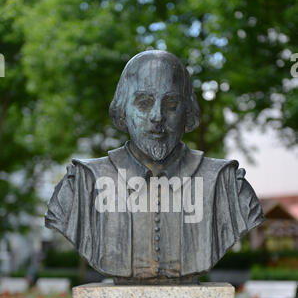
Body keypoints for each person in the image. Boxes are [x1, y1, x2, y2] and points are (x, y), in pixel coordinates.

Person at [45, 50, 264, 284]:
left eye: (171, 104)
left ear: (187, 112)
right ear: (122, 111)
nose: (157, 116)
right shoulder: (81, 183)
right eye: (143, 103)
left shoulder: (226, 183)